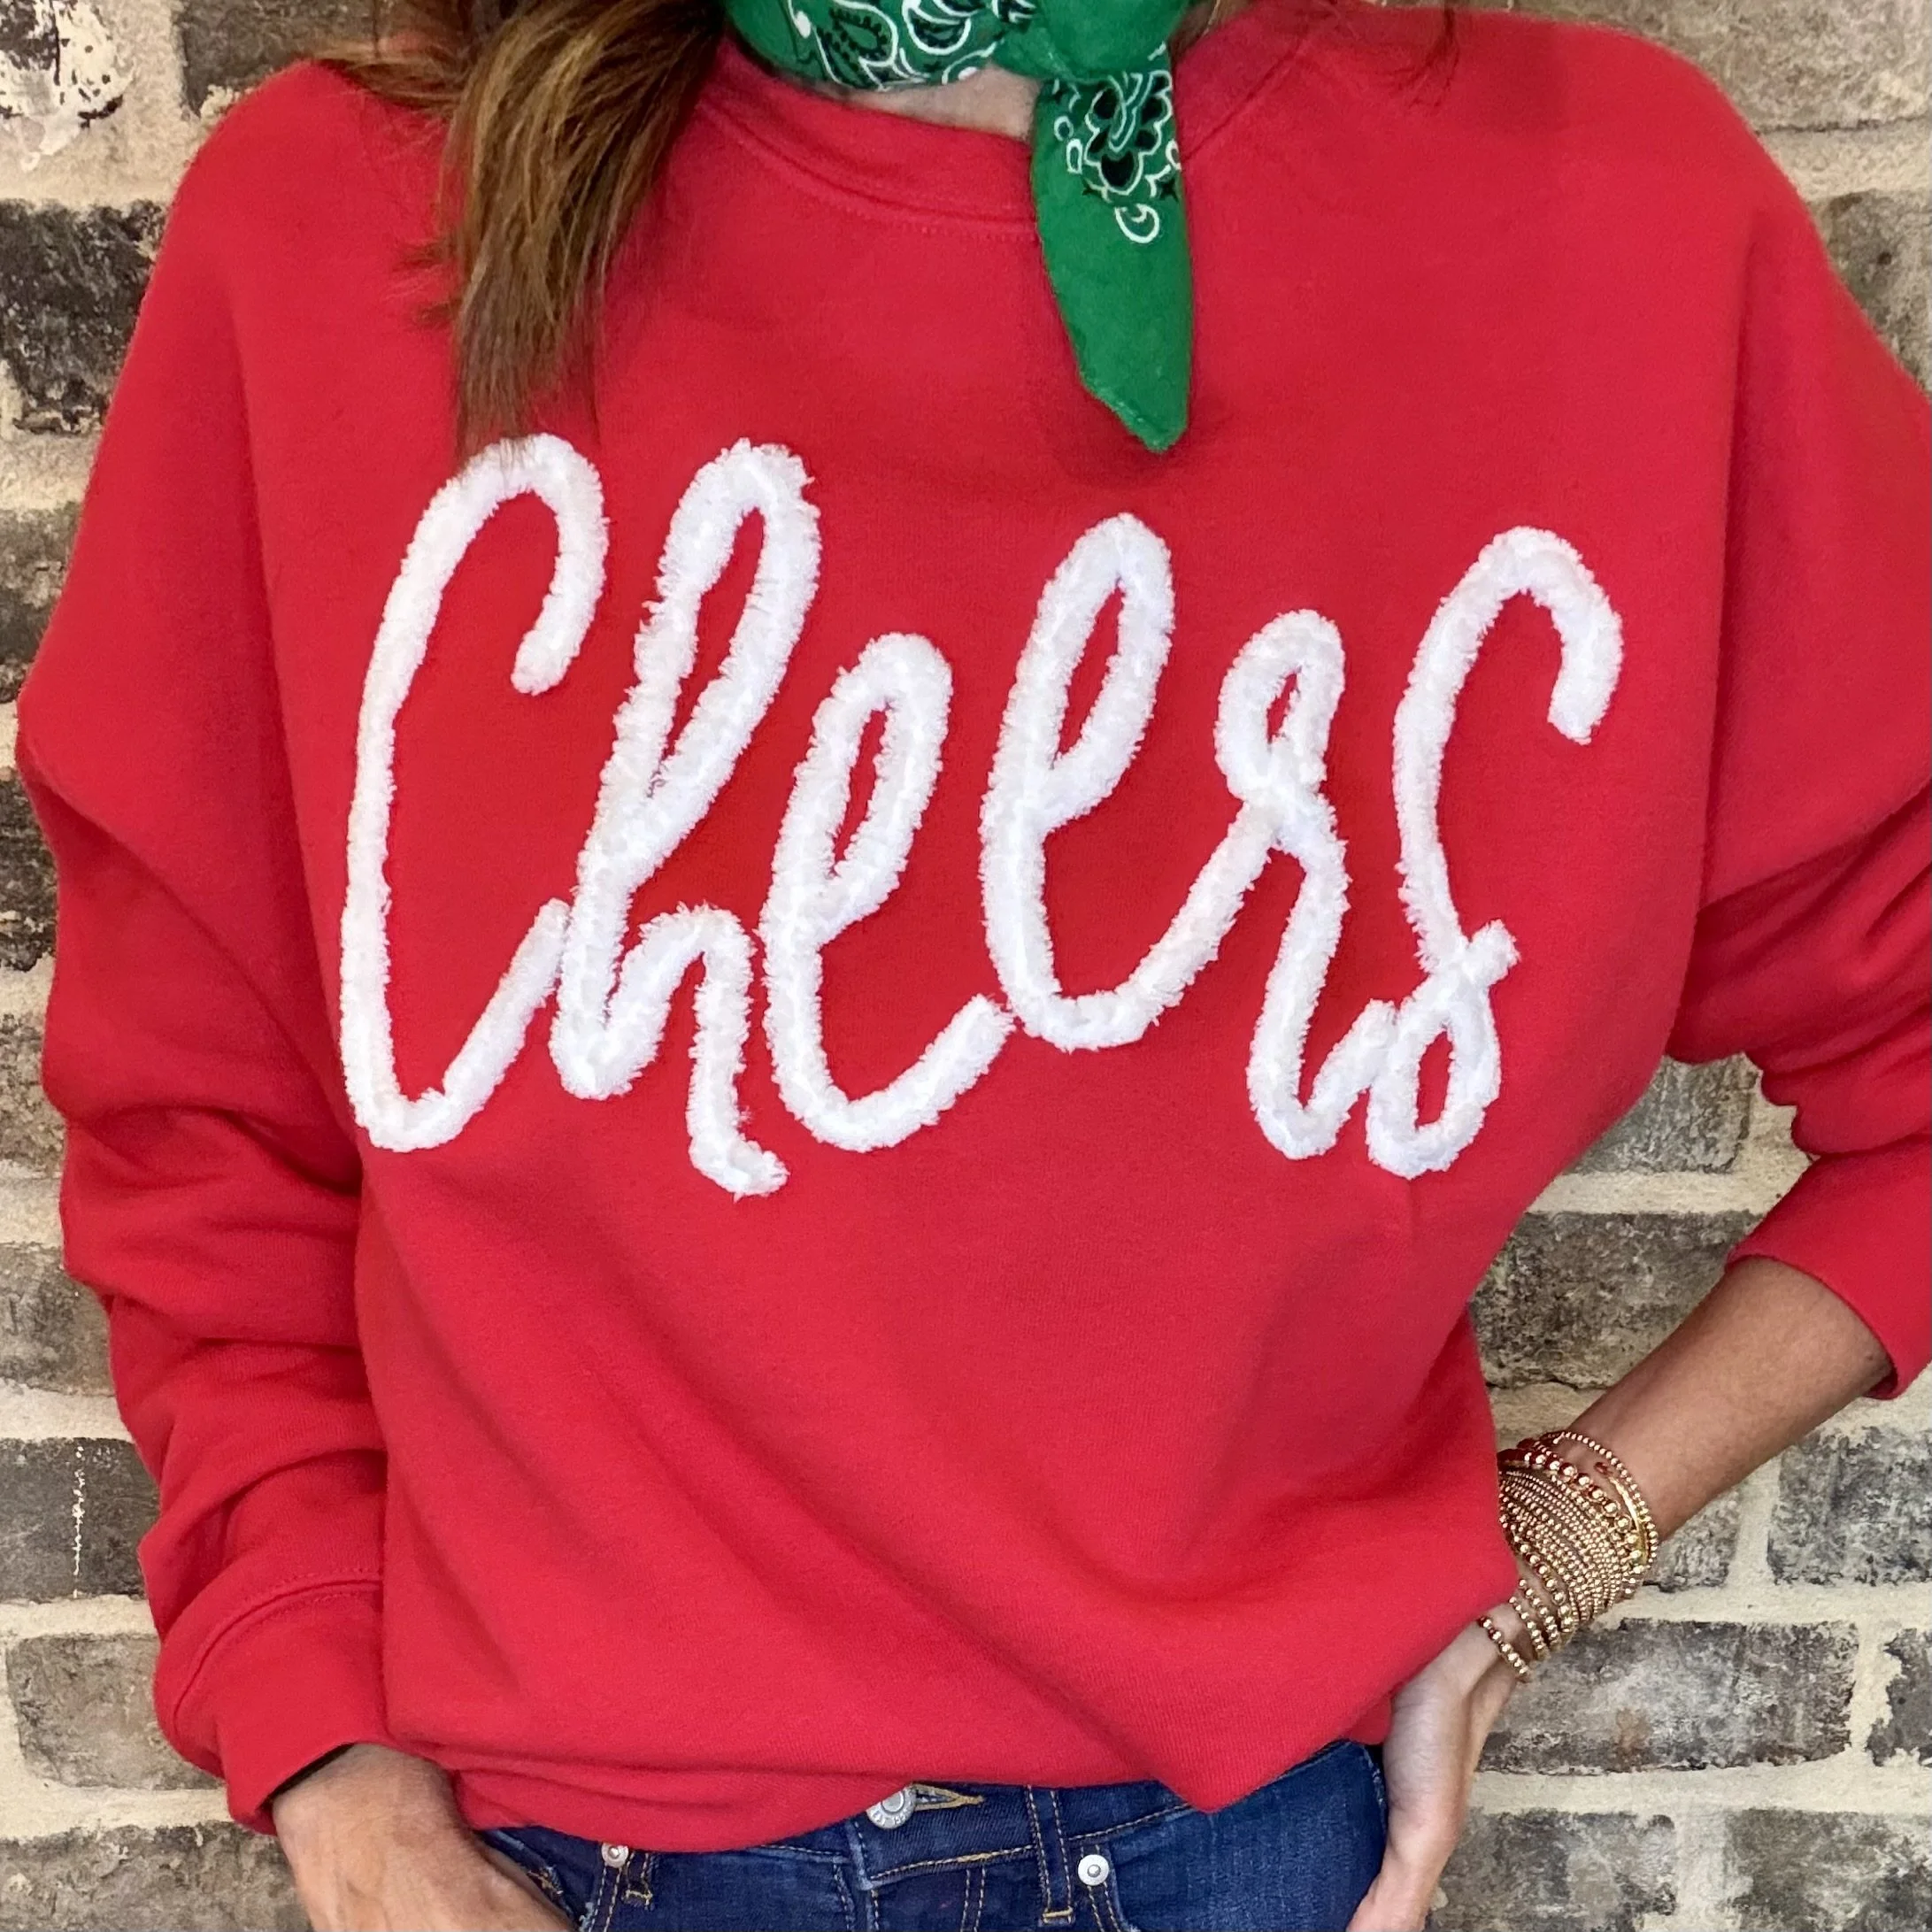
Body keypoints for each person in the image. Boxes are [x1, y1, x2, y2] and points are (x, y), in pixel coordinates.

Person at [15, 1, 1928, 1928]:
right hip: (564, 1865)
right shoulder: (349, 224)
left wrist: (1562, 1537)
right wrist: (329, 1753)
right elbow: (205, 1131)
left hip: (1239, 1852)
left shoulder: (1608, 221)